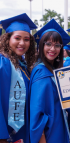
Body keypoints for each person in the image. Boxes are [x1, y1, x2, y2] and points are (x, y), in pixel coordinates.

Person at [30, 19, 70, 143]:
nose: (52, 49)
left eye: (57, 45)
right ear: (41, 45)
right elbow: (37, 112)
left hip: (58, 129)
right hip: (49, 135)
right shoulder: (41, 72)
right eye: (48, 44)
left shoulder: (55, 70)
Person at [0, 13, 37, 143]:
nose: (22, 43)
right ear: (7, 39)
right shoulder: (2, 63)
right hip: (6, 134)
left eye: (26, 39)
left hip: (22, 131)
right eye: (17, 38)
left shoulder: (22, 64)